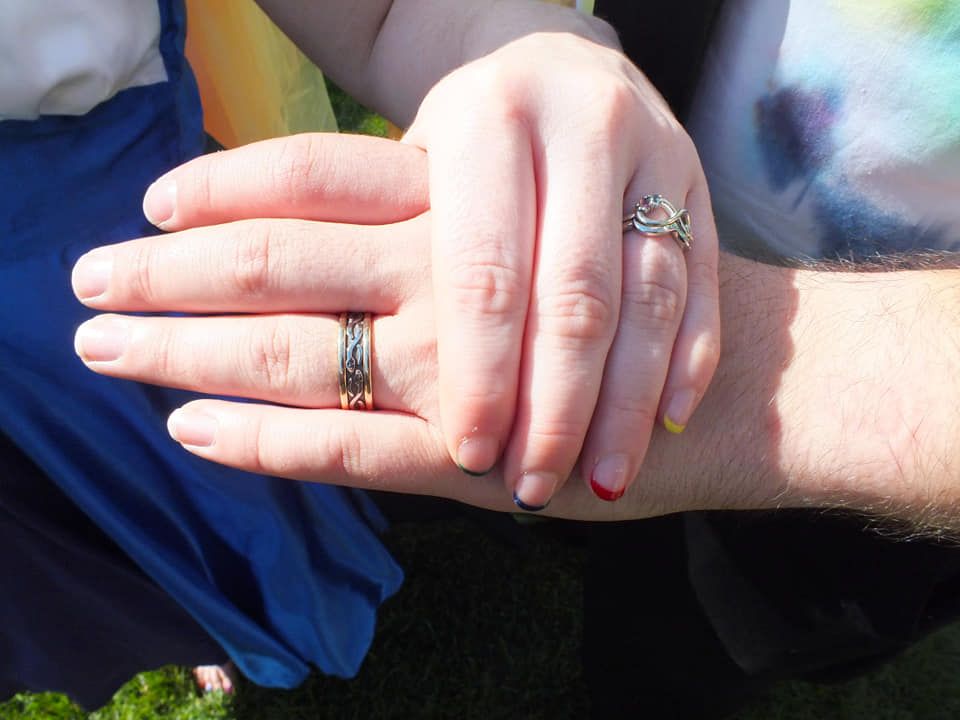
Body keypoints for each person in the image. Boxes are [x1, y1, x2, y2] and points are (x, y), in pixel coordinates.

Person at [71, 0, 960, 716]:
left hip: (853, 476)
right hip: (588, 174)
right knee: (510, 487)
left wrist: (786, 374)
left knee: (708, 640)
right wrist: (527, 35)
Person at [5, 0, 722, 707]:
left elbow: (390, 12)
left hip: (119, 212)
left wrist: (538, 44)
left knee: (222, 471)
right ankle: (206, 624)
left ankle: (239, 609)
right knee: (78, 560)